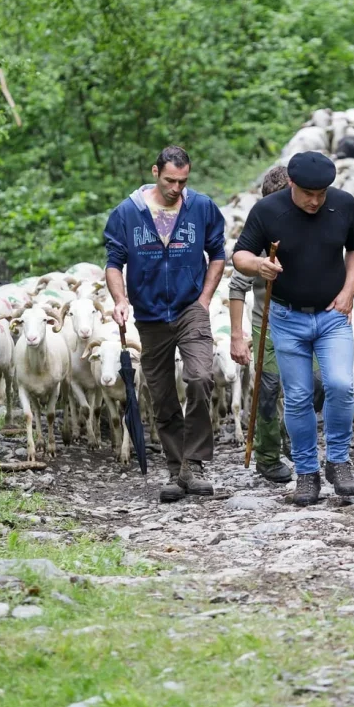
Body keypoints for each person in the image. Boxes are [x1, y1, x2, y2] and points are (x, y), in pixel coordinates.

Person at [232, 151, 354, 506]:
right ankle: (307, 472)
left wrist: (349, 290)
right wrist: (259, 264)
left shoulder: (343, 205)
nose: (315, 200)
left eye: (321, 192)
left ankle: (338, 461)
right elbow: (240, 254)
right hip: (287, 317)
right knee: (297, 396)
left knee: (340, 384)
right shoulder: (268, 210)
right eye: (308, 192)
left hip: (332, 315)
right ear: (291, 183)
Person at [104, 145, 225, 502]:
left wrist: (204, 300)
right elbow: (114, 261)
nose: (176, 188)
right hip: (150, 313)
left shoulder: (200, 207)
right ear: (155, 172)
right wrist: (121, 300)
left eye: (183, 181)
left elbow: (218, 253)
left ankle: (196, 463)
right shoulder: (127, 213)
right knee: (161, 393)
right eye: (170, 180)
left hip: (190, 308)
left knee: (201, 376)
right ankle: (176, 468)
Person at [228, 165, 293, 484]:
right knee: (267, 390)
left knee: (317, 384)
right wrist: (237, 336)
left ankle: (287, 429)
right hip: (266, 322)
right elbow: (237, 285)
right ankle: (268, 457)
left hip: (309, 318)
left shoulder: (312, 222)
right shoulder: (261, 229)